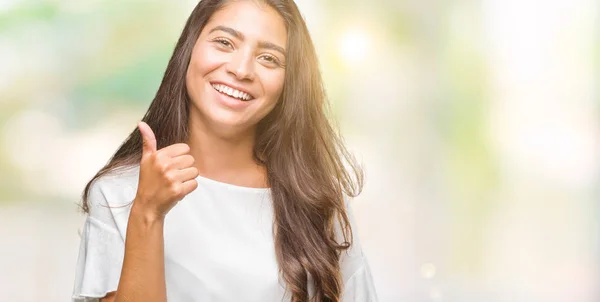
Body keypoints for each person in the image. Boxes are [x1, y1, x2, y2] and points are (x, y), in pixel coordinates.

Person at [72, 0, 378, 301]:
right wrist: (148, 214)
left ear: (289, 82)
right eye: (224, 42)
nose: (241, 70)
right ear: (189, 48)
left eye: (269, 58)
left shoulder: (315, 198)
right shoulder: (117, 193)